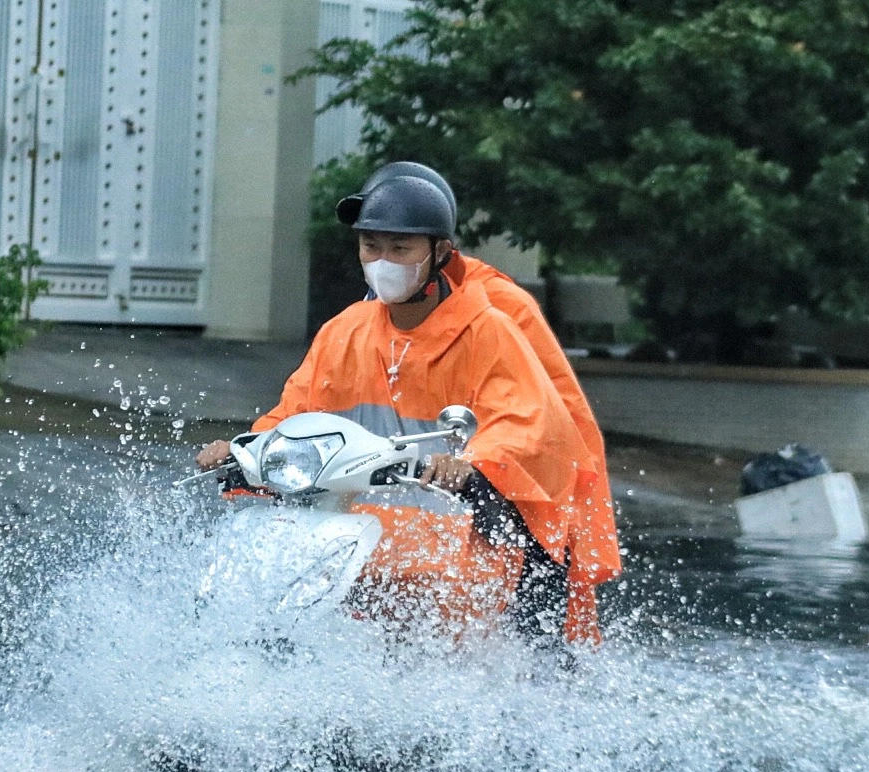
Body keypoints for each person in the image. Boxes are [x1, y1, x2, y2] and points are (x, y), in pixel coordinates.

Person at [195, 173, 620, 645]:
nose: (383, 263)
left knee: (526, 642)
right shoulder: (345, 330)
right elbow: (296, 413)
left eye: (401, 249)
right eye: (371, 246)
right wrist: (246, 449)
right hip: (376, 536)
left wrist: (470, 463)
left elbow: (525, 422)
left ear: (439, 253)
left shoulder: (490, 327)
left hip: (478, 537)